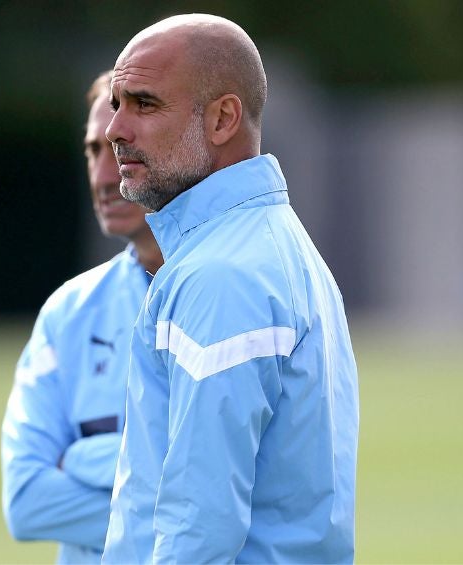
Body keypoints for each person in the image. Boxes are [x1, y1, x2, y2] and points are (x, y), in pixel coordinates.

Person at [101, 14, 359, 564]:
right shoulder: (266, 245)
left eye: (144, 104)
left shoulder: (222, 274)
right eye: (117, 103)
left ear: (223, 119)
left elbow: (202, 524)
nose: (115, 129)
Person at [0, 71, 163, 564]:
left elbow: (244, 490)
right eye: (94, 152)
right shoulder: (68, 312)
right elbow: (26, 502)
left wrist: (80, 457)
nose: (102, 176)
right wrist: (173, 503)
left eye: (118, 152)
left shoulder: (229, 292)